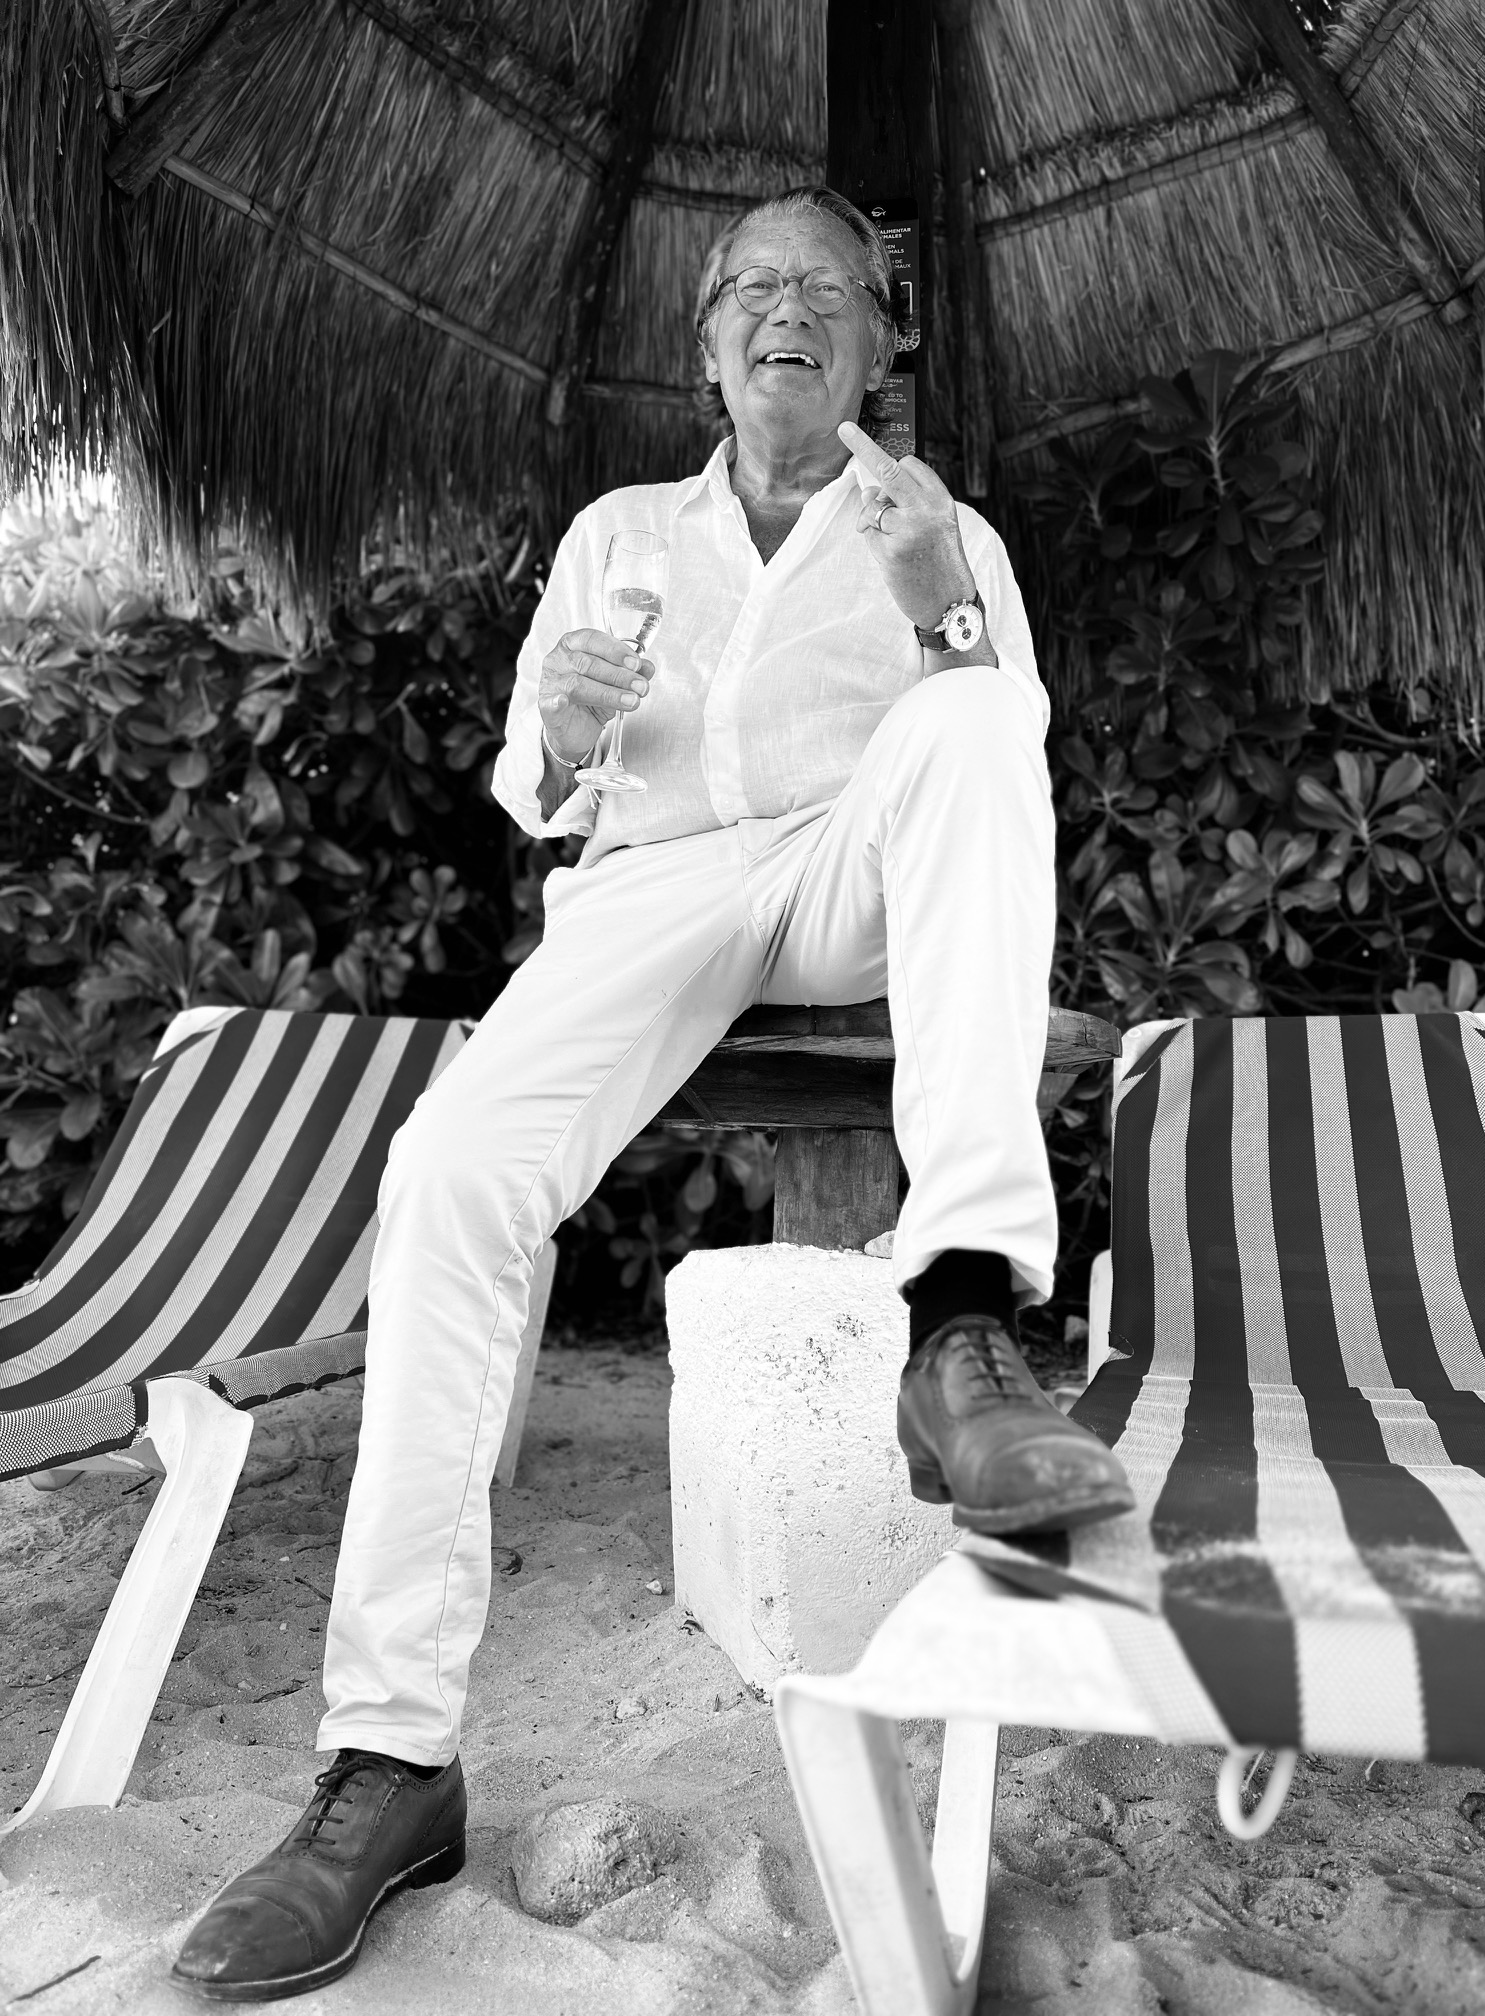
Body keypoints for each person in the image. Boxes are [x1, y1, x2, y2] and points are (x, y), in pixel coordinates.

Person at [171, 185, 1133, 2002]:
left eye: (830, 289)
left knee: (971, 713)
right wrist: (556, 730)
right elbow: (535, 797)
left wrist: (940, 610)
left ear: (879, 342)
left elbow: (995, 776)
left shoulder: (939, 525)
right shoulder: (618, 533)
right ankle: (390, 1759)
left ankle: (959, 1321)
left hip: (844, 873)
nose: (791, 311)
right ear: (706, 340)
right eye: (755, 284)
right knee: (450, 1173)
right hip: (656, 884)